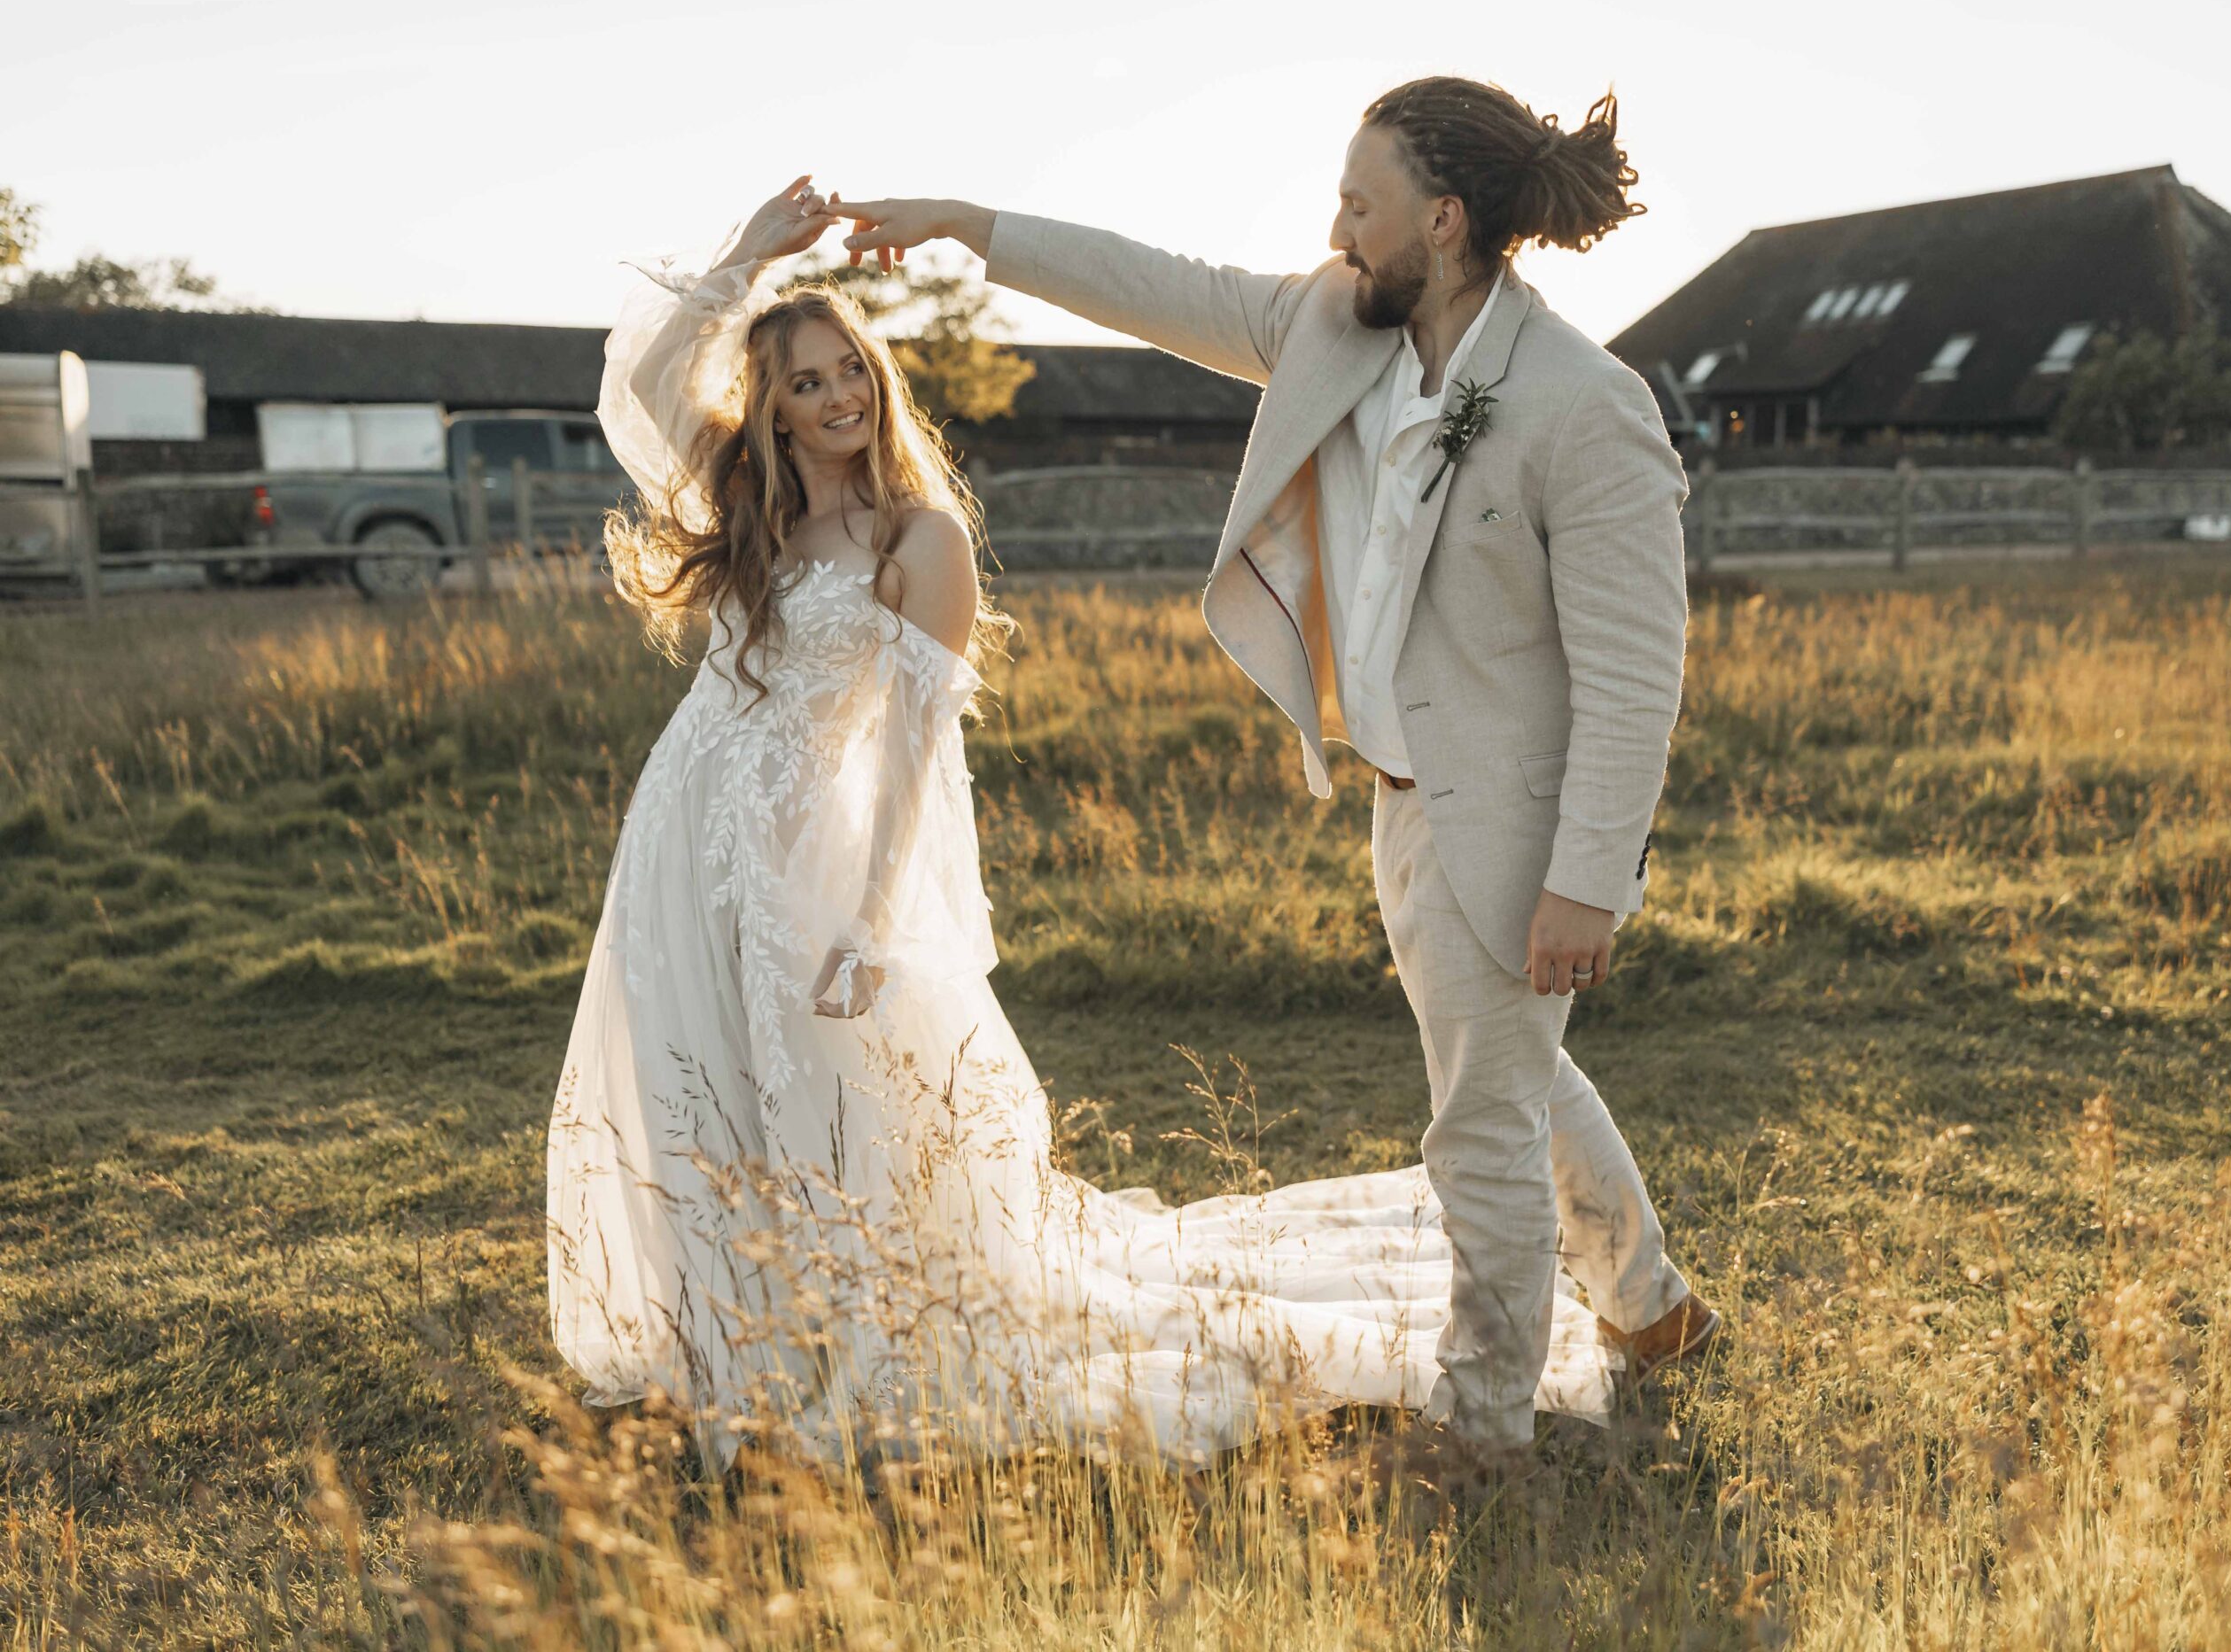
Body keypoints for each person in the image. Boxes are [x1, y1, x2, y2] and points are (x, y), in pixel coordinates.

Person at [544, 173, 1627, 1476]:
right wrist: (749, 256)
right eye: (801, 381)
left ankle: (842, 1339)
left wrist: (871, 922)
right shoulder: (745, 506)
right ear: (767, 404)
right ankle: (728, 1336)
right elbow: (649, 381)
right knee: (686, 1080)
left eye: (850, 373)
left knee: (825, 1103)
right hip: (681, 841)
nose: (833, 398)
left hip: (811, 865)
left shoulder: (916, 539)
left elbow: (911, 764)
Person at [828, 76, 1719, 1450]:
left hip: (1524, 829)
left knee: (1477, 1128)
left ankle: (1480, 1429)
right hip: (1403, 804)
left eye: (1361, 203)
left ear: (1444, 218)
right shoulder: (1333, 326)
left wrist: (1587, 884)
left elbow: (1633, 675)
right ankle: (1649, 1302)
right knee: (1511, 1068)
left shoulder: (1584, 406)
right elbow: (1158, 287)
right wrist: (967, 226)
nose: (1337, 225)